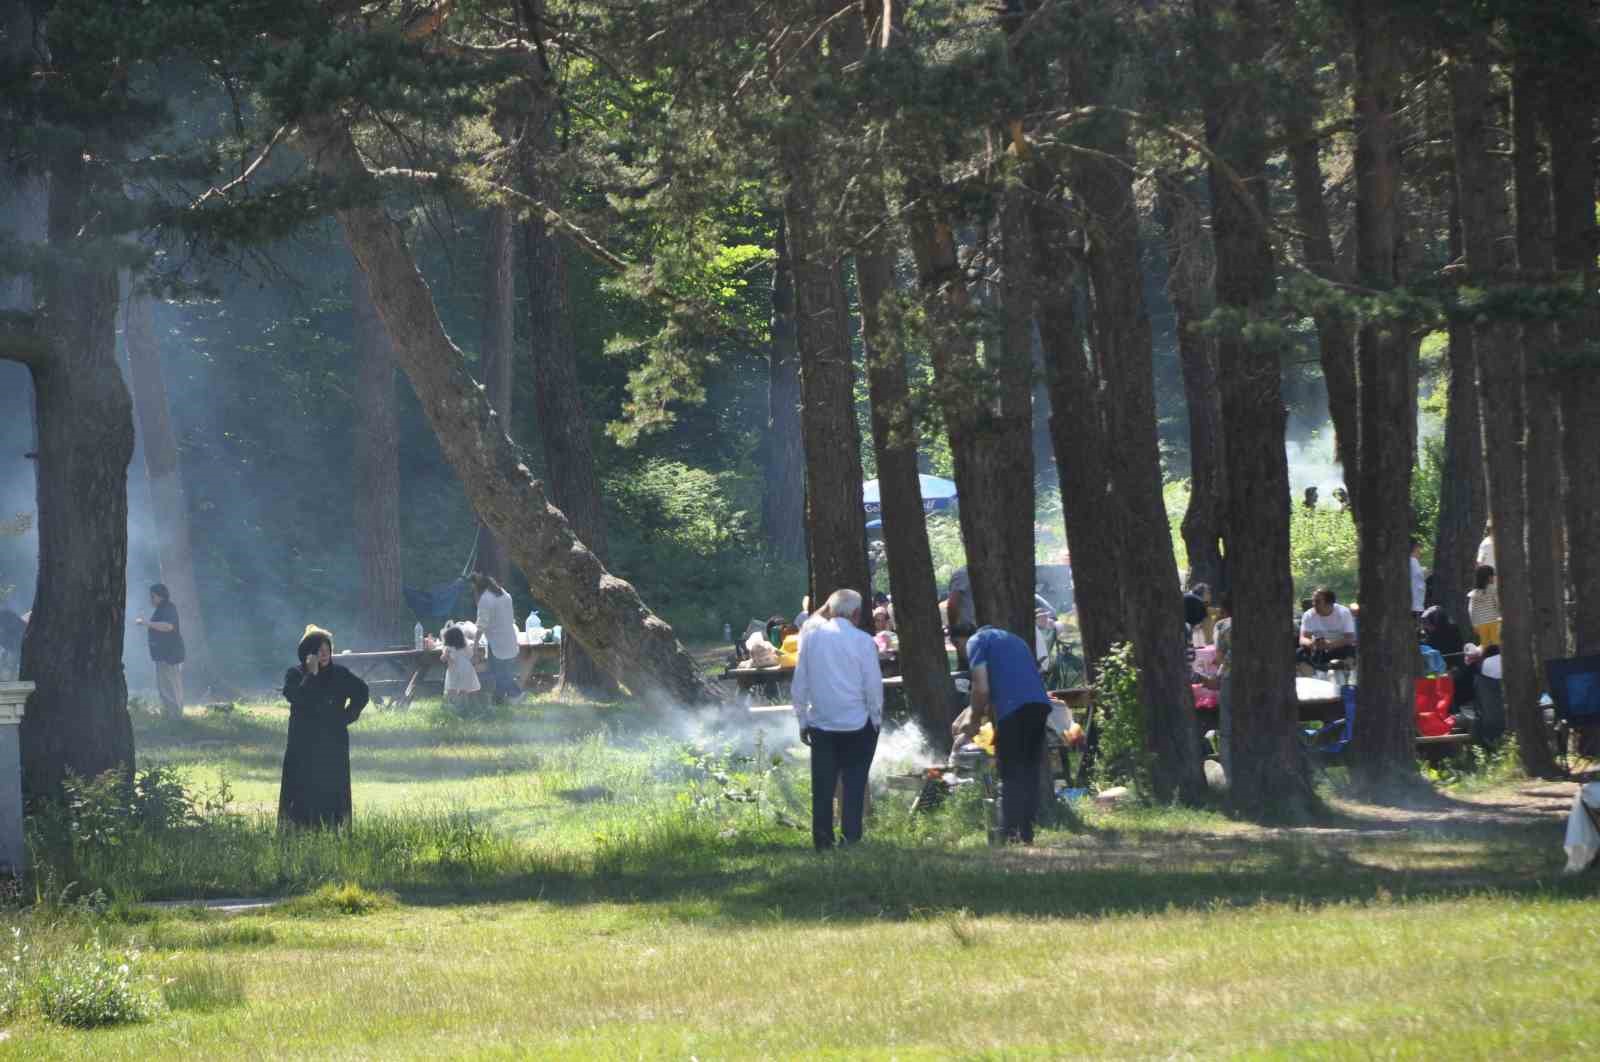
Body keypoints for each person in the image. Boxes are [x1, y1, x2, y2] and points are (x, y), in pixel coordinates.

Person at [790, 588, 882, 851]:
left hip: (821, 723)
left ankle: (822, 842)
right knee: (853, 785)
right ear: (856, 613)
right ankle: (850, 840)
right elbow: (873, 688)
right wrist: (875, 719)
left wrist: (802, 720)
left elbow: (799, 684)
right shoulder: (864, 642)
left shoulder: (812, 638)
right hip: (857, 724)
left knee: (822, 787)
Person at [949, 622, 1052, 845]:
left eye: (957, 646)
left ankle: (1009, 833)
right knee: (1029, 769)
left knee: (1010, 771)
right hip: (1039, 706)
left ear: (962, 639)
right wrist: (968, 719)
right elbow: (1000, 689)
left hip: (1014, 708)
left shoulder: (977, 642)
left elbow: (981, 689)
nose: (961, 652)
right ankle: (1026, 831)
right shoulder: (1013, 640)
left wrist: (973, 722)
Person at [279, 626, 369, 828]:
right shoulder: (295, 673)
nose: (324, 654)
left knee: (332, 785)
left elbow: (362, 692)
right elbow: (296, 697)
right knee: (303, 786)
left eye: (327, 650)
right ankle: (300, 829)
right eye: (319, 650)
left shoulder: (339, 673)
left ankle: (333, 828)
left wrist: (346, 717)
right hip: (303, 742)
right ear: (308, 652)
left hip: (332, 741)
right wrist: (311, 674)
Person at [135, 583, 185, 719]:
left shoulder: (168, 608)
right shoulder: (162, 609)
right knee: (166, 686)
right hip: (164, 655)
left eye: (152, 596)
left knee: (171, 686)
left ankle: (175, 717)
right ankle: (172, 715)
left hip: (170, 655)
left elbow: (168, 626)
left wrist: (147, 623)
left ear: (160, 596)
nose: (150, 599)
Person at [471, 572, 522, 702]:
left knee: (500, 673)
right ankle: (500, 700)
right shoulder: (505, 594)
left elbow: (481, 625)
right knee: (504, 673)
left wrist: (475, 645)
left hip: (497, 642)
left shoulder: (486, 599)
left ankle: (515, 695)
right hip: (510, 638)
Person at [1297, 587, 1357, 671]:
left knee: (1352, 650)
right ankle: (1311, 673)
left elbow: (1350, 638)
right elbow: (1303, 639)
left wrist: (1330, 645)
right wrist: (1313, 644)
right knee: (1300, 652)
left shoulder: (1344, 613)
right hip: (1318, 650)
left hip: (1339, 648)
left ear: (1329, 603)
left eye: (1317, 601)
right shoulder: (1309, 615)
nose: (1313, 604)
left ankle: (1344, 668)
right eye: (1313, 601)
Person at [440, 624, 482, 709]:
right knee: (462, 689)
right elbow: (471, 657)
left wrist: (446, 655)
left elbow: (443, 659)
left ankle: (455, 706)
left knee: (453, 689)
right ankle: (461, 706)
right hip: (464, 670)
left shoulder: (450, 648)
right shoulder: (463, 647)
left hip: (455, 670)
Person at [1468, 564, 1501, 648]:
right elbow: (1498, 605)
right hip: (1493, 622)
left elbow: (1471, 610)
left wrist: (1474, 624)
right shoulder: (1493, 590)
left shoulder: (1474, 593)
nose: (1494, 578)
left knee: (1486, 647)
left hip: (1480, 625)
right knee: (1496, 646)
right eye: (1493, 575)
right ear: (1489, 577)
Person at [1409, 538, 1427, 617]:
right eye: (1419, 548)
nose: (1420, 552)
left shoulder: (1413, 562)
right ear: (1415, 548)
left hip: (1416, 605)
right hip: (1415, 606)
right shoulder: (1413, 561)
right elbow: (1420, 575)